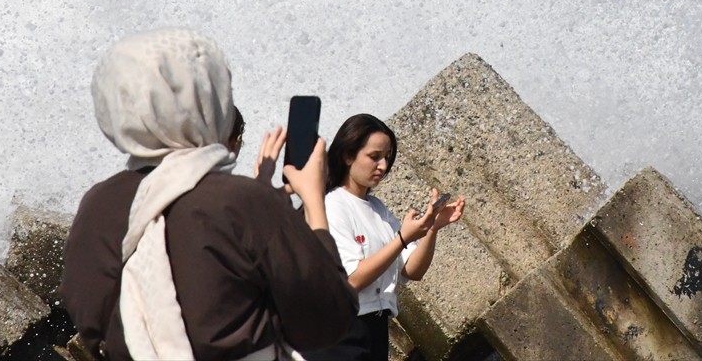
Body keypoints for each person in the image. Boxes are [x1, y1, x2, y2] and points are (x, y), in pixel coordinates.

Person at [60, 28, 358, 361]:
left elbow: (88, 314)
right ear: (210, 100)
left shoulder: (96, 206)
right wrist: (314, 200)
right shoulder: (243, 202)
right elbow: (327, 316)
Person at [298, 114, 466, 361]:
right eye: (374, 157)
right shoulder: (330, 206)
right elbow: (351, 280)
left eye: (387, 158)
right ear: (347, 156)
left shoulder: (378, 209)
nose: (383, 166)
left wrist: (432, 228)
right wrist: (401, 239)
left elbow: (412, 270)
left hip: (374, 327)